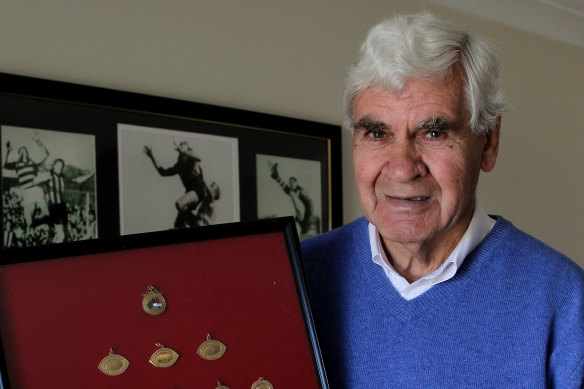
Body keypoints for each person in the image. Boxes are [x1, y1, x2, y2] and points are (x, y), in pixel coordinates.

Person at [301, 12, 584, 387]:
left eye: (434, 133)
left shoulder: (563, 300)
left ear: (489, 142)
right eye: (375, 133)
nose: (401, 169)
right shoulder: (295, 278)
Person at [144, 140, 220, 228]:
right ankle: (193, 222)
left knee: (179, 204)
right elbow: (163, 172)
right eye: (180, 149)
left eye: (183, 147)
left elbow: (199, 157)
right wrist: (152, 156)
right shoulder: (179, 165)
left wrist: (184, 151)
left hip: (197, 189)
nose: (180, 150)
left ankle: (197, 221)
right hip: (189, 191)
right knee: (178, 224)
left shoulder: (192, 160)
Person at [3, 135, 50, 238]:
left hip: (35, 188)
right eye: (22, 150)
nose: (25, 152)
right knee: (29, 219)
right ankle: (30, 230)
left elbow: (46, 154)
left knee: (46, 212)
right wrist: (8, 151)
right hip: (26, 191)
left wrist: (39, 142)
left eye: (26, 150)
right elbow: (4, 165)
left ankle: (40, 226)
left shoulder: (32, 162)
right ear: (19, 154)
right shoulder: (17, 164)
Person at [269, 161, 320, 237]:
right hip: (300, 217)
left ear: (296, 183)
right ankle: (276, 176)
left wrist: (311, 215)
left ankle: (276, 176)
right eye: (290, 183)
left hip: (306, 214)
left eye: (292, 182)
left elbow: (310, 201)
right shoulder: (292, 192)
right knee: (294, 235)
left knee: (292, 194)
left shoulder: (301, 190)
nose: (291, 184)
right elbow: (286, 189)